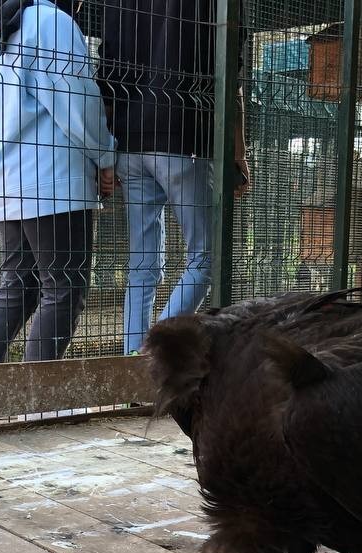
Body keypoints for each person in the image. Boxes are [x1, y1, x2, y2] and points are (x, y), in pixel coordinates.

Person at [97, 0, 250, 355]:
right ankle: (154, 356)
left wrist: (107, 152)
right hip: (184, 138)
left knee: (143, 264)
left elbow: (106, 74)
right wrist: (238, 154)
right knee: (204, 258)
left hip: (128, 142)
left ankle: (131, 367)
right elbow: (231, 75)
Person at [0, 0, 117, 364]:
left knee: (19, 285)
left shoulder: (3, 24)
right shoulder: (55, 22)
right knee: (64, 289)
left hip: (8, 173)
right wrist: (105, 157)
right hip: (54, 179)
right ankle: (40, 400)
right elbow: (78, 104)